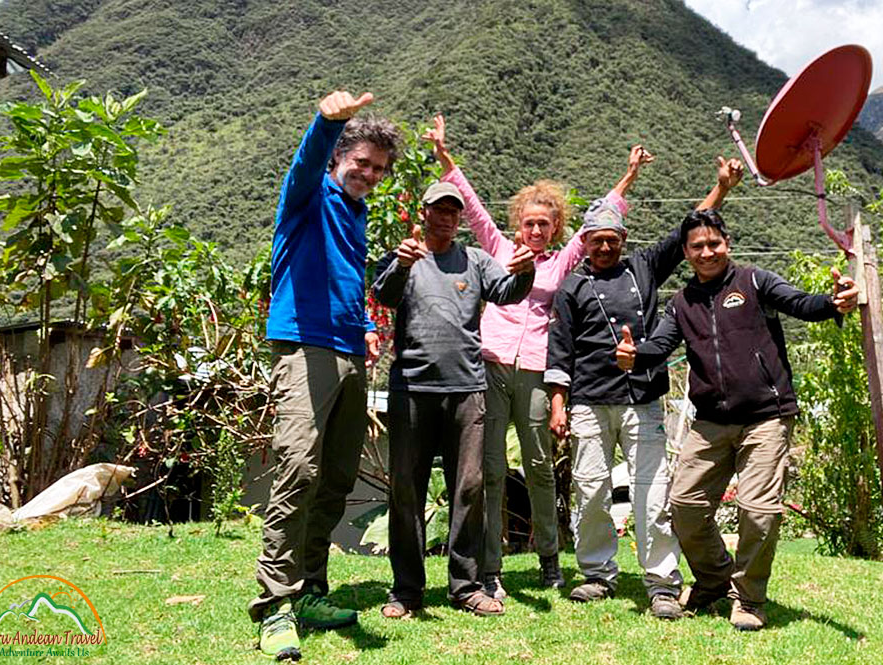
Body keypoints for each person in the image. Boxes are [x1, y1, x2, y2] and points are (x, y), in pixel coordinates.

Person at [422, 113, 654, 600]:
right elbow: (475, 207)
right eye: (528, 223)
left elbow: (599, 222)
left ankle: (551, 558)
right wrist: (444, 155)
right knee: (487, 471)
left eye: (543, 225)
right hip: (490, 362)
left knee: (540, 467)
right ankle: (490, 569)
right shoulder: (499, 249)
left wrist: (629, 177)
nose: (534, 230)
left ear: (555, 229)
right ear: (518, 225)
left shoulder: (565, 259)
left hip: (534, 369)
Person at [614, 208, 859, 631]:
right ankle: (713, 580)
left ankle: (748, 598)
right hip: (710, 422)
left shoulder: (755, 281)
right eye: (697, 247)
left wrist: (834, 302)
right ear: (687, 253)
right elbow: (658, 345)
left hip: (767, 417)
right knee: (685, 506)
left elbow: (802, 303)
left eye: (714, 243)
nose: (707, 252)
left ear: (727, 242)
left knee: (758, 511)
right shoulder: (682, 303)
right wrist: (633, 356)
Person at [544, 157, 744, 620]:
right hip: (590, 401)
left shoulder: (643, 268)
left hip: (643, 399)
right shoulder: (572, 287)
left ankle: (661, 584)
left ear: (624, 240)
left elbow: (687, 231)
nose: (605, 247)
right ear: (585, 243)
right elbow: (560, 351)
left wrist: (721, 189)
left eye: (613, 239)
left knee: (651, 494)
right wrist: (558, 405)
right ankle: (596, 574)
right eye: (597, 241)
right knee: (590, 489)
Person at [252, 90, 397, 661]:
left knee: (336, 475)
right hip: (305, 347)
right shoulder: (309, 196)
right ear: (340, 157)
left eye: (379, 169)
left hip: (347, 352)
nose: (369, 174)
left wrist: (362, 322)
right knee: (298, 466)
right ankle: (273, 607)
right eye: (361, 162)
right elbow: (304, 164)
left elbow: (344, 278)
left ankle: (311, 588)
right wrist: (325, 122)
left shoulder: (357, 213)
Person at [372, 181, 536, 619]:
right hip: (411, 389)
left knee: (469, 487)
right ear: (422, 213)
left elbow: (508, 293)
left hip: (466, 389)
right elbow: (383, 296)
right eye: (438, 210)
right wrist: (402, 266)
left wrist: (525, 269)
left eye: (453, 211)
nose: (446, 217)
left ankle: (465, 587)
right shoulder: (404, 255)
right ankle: (406, 591)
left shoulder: (476, 260)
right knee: (407, 490)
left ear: (459, 217)